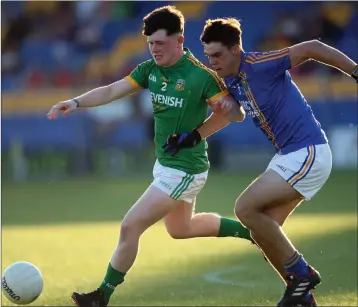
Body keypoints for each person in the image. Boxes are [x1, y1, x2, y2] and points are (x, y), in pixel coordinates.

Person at [47, 7, 251, 307]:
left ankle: (101, 295)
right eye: (150, 44)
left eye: (160, 43)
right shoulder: (149, 71)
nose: (154, 49)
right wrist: (76, 102)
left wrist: (219, 115)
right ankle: (254, 230)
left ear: (180, 40)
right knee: (181, 229)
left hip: (185, 169)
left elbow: (235, 114)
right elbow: (112, 90)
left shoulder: (200, 76)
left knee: (130, 225)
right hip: (166, 165)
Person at [163, 17, 358, 307]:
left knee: (244, 207)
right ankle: (301, 297)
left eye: (218, 55)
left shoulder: (260, 63)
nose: (212, 62)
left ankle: (302, 274)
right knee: (262, 232)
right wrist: (193, 136)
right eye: (208, 56)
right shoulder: (230, 79)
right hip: (289, 156)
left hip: (308, 151)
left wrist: (354, 71)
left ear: (236, 49)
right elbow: (232, 114)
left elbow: (313, 47)